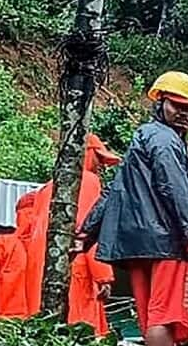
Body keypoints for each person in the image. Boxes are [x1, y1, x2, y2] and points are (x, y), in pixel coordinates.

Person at [80, 71, 188, 346]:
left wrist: (85, 234)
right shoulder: (166, 141)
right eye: (177, 106)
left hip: (139, 246)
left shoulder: (142, 138)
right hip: (168, 243)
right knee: (163, 317)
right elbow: (177, 191)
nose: (184, 114)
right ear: (160, 103)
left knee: (149, 317)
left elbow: (115, 190)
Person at [14, 133, 120, 334]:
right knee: (81, 338)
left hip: (40, 275)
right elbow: (88, 231)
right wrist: (103, 276)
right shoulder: (87, 181)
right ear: (85, 154)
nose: (102, 167)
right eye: (99, 159)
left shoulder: (46, 189)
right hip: (73, 271)